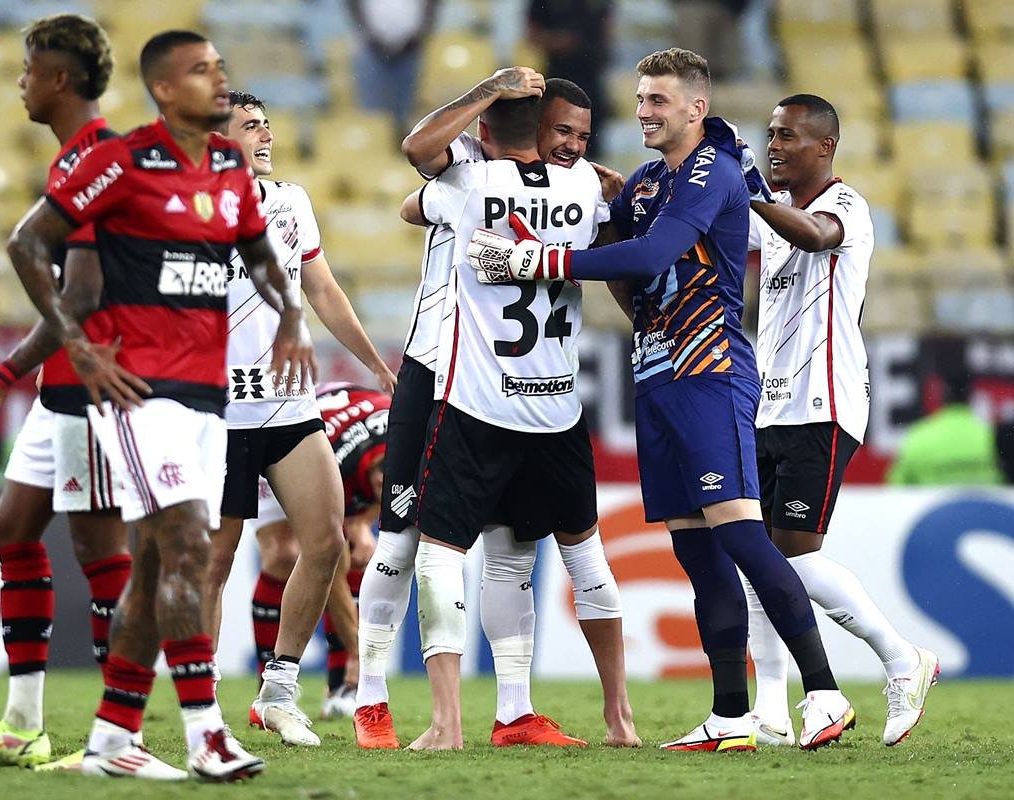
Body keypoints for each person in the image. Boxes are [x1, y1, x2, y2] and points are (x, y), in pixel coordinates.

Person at [465, 48, 854, 752]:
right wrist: (582, 201)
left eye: (659, 101)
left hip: (710, 371)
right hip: (656, 374)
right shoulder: (645, 183)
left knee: (739, 532)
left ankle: (824, 692)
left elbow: (651, 257)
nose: (643, 111)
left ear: (696, 109)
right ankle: (731, 714)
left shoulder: (715, 169)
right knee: (697, 552)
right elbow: (621, 260)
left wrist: (537, 261)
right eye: (641, 99)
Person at [6, 29, 315, 781]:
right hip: (140, 395)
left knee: (152, 566)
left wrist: (290, 316)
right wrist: (77, 347)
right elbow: (27, 243)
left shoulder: (224, 170)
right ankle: (205, 732)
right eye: (201, 70)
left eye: (219, 66)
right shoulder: (120, 162)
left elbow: (260, 253)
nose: (219, 79)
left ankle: (112, 738)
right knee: (183, 545)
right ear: (166, 91)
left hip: (208, 398)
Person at [353, 69, 638, 751]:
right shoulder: (580, 191)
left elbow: (413, 194)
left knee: (500, 550)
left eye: (579, 137)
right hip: (450, 372)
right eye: (562, 133)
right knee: (400, 536)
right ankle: (371, 698)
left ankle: (511, 711)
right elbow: (413, 198)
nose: (572, 145)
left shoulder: (466, 184)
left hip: (477, 386)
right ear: (538, 133)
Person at [0, 14, 130, 772]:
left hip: (92, 385)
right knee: (12, 531)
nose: (20, 82)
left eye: (27, 68)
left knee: (99, 552)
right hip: (62, 391)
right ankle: (22, 726)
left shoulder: (100, 160)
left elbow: (81, 295)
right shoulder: (73, 161)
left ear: (58, 78)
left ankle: (121, 738)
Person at [202, 90, 396, 747]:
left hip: (289, 403)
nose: (266, 133)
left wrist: (374, 362)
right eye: (250, 125)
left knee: (328, 543)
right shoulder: (194, 209)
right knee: (215, 560)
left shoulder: (290, 201)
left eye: (266, 121)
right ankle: (201, 708)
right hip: (219, 410)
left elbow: (322, 289)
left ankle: (278, 691)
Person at [744, 94, 939, 747]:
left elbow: (817, 236)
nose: (774, 146)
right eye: (770, 135)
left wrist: (747, 190)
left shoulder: (844, 204)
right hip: (768, 403)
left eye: (788, 137)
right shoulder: (773, 215)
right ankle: (770, 709)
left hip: (821, 403)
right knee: (759, 558)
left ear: (824, 146)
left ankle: (900, 658)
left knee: (793, 554)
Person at [247, 383, 391, 719]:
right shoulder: (339, 465)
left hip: (345, 423)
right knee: (285, 554)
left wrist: (361, 520)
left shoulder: (410, 450)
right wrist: (360, 649)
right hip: (284, 440)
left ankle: (341, 686)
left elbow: (385, 484)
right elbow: (329, 570)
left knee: (358, 550)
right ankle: (267, 683)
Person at [887, 342, 1003, 486]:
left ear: (941, 395)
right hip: (984, 508)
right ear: (971, 395)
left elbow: (895, 490)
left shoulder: (918, 438)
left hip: (931, 508)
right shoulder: (992, 437)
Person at [526, 0, 612, 157]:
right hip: (559, 75)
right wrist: (559, 42)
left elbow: (607, 25)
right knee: (553, 132)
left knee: (590, 141)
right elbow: (532, 35)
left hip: (590, 76)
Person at [346, 0, 439, 141]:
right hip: (372, 47)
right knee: (373, 115)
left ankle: (402, 147)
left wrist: (420, 34)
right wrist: (369, 35)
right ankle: (377, 148)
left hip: (411, 46)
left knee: (410, 110)